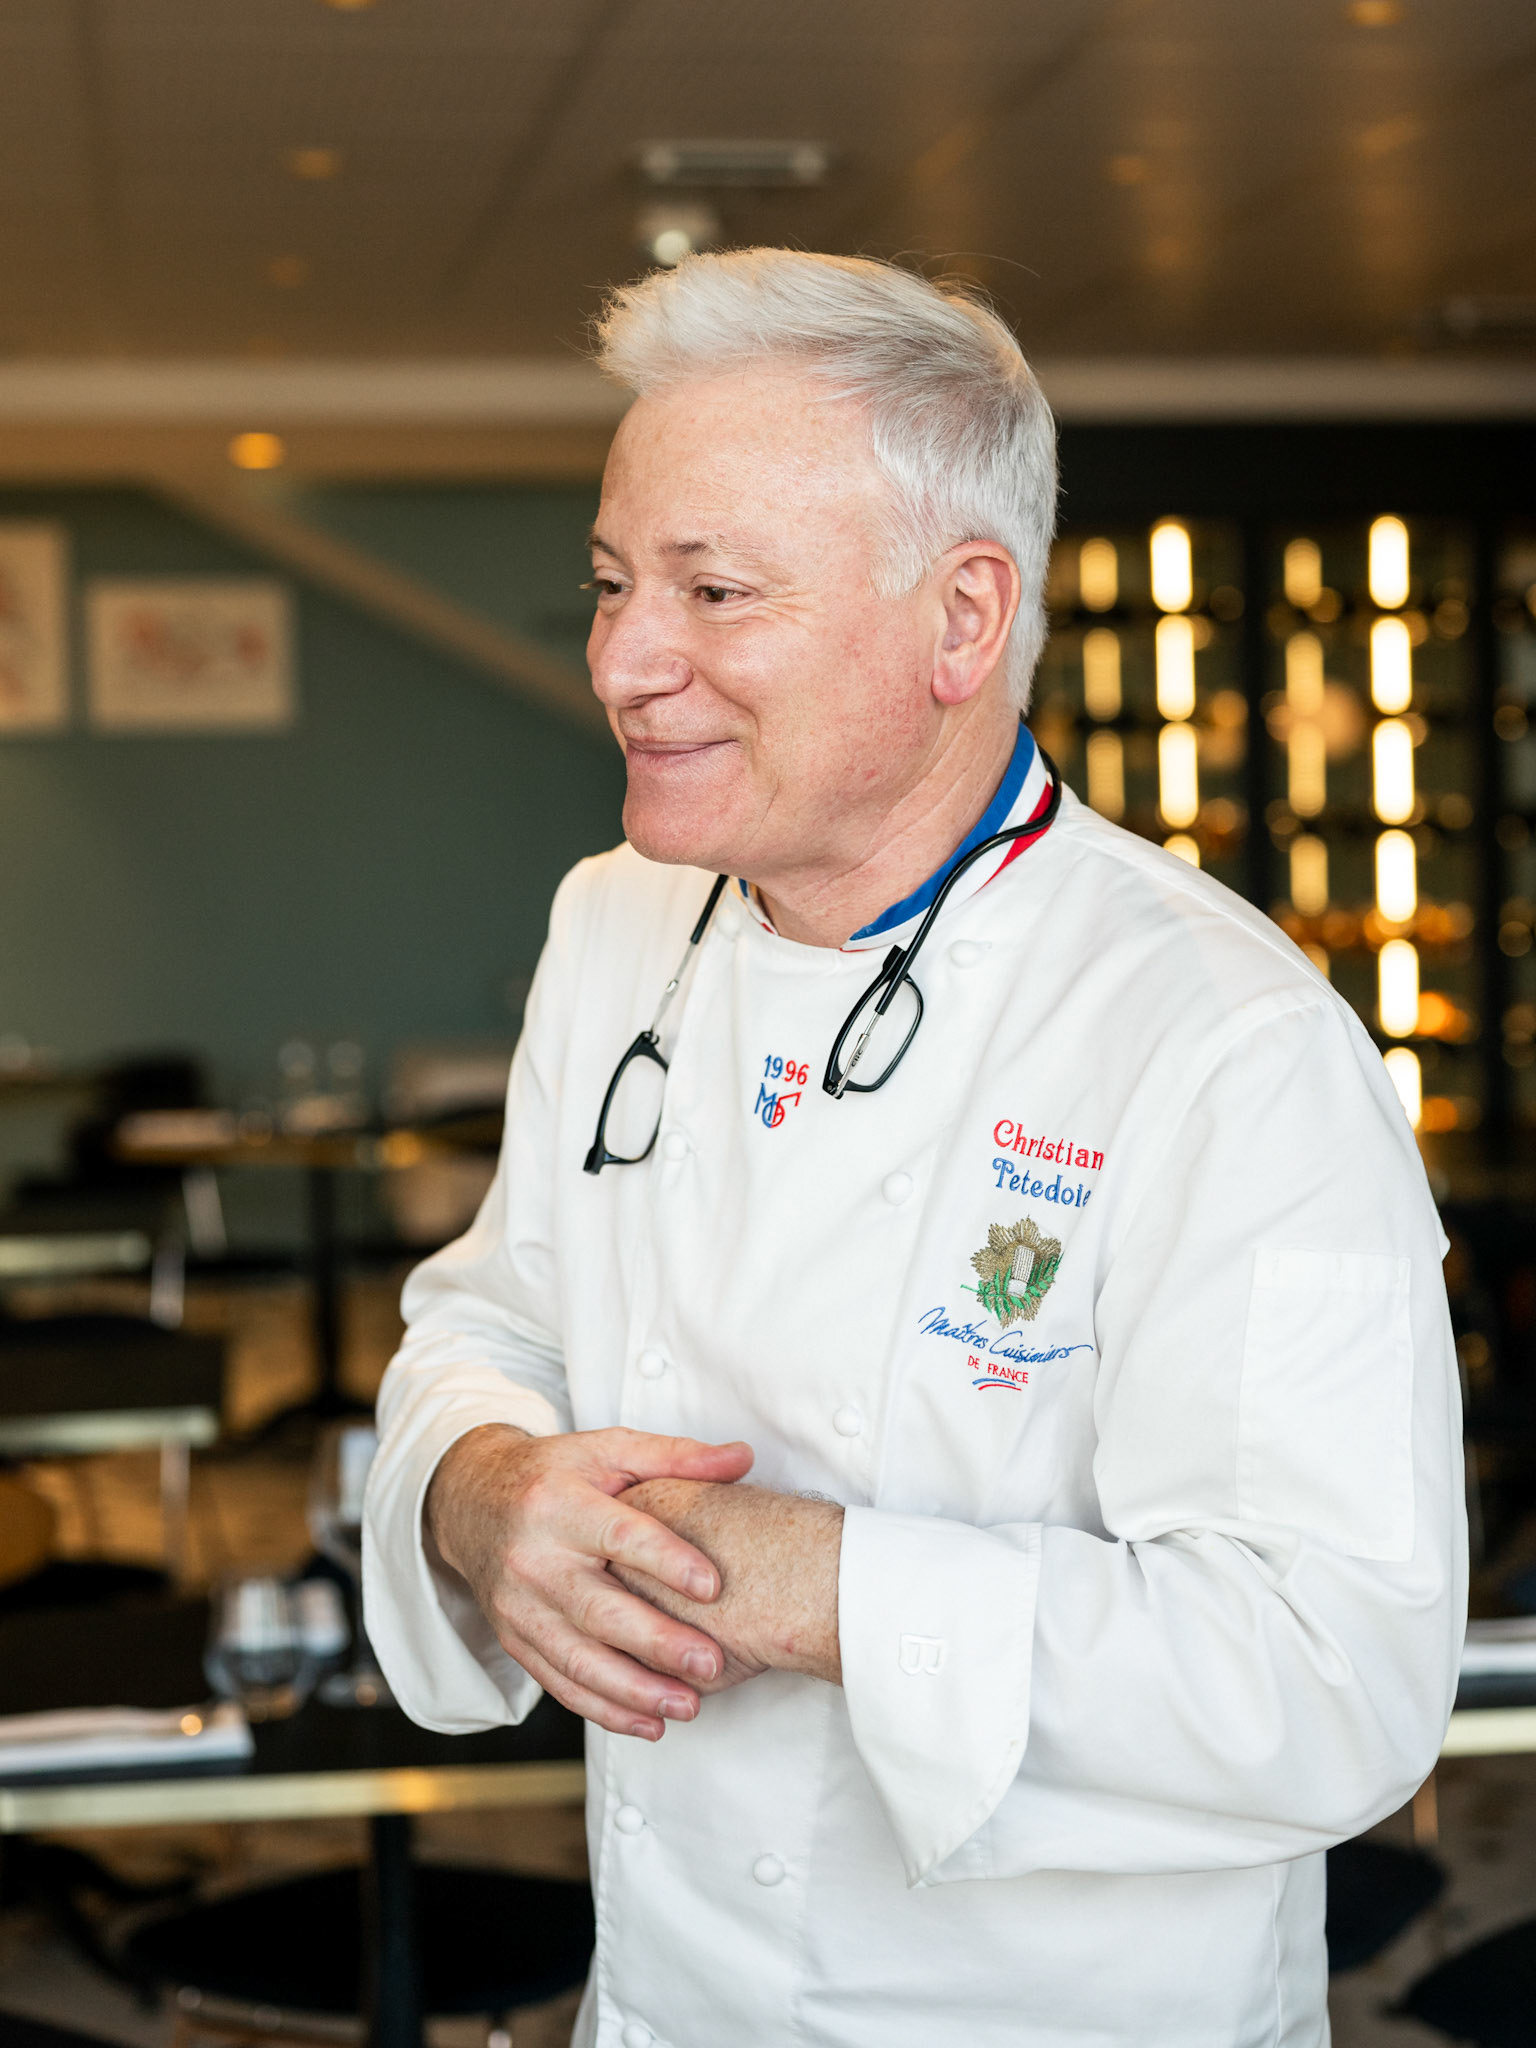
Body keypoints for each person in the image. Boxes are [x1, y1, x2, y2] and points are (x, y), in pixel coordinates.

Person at [363, 249, 1465, 2048]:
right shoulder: (615, 920)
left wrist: (786, 1575)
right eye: (614, 583)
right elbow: (492, 1320)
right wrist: (481, 1493)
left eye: (716, 590)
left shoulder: (1225, 1040)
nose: (625, 661)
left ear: (964, 620)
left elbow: (1332, 1677)